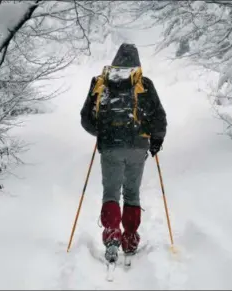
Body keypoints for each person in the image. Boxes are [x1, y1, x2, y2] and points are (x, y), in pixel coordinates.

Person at [80, 43, 167, 262]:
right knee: (131, 192)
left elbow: (85, 118)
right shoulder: (144, 83)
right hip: (138, 147)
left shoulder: (101, 82)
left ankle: (111, 237)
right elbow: (159, 117)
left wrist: (101, 132)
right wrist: (156, 141)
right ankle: (129, 239)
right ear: (137, 62)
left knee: (111, 192)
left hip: (110, 147)